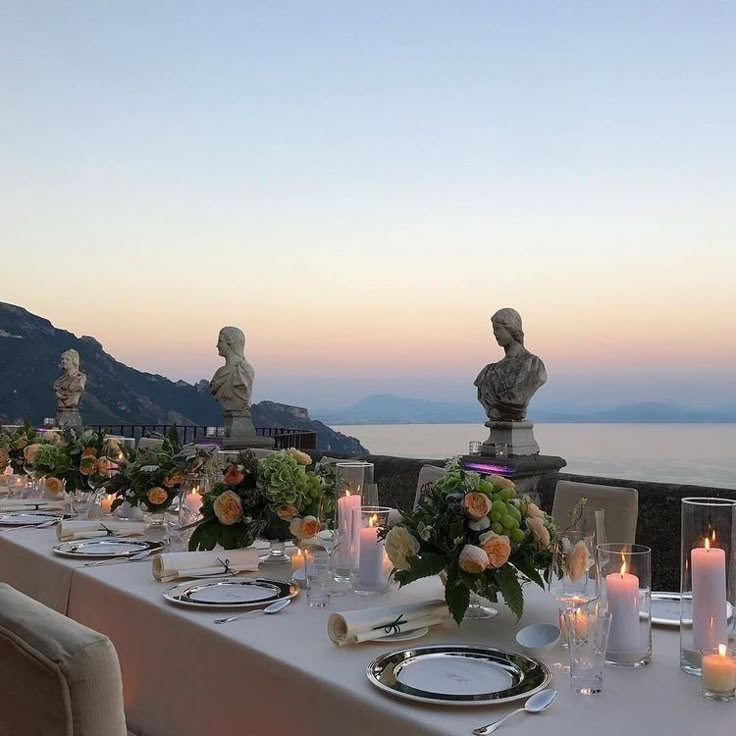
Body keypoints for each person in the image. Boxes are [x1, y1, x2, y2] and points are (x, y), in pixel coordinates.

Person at [474, 308, 546, 421]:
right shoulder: (488, 372)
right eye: (493, 329)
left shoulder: (534, 365)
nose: (494, 333)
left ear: (511, 328)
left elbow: (519, 399)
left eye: (497, 328)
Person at [210, 327, 255, 413]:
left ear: (230, 344)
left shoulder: (244, 371)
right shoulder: (219, 372)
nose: (217, 345)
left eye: (220, 341)